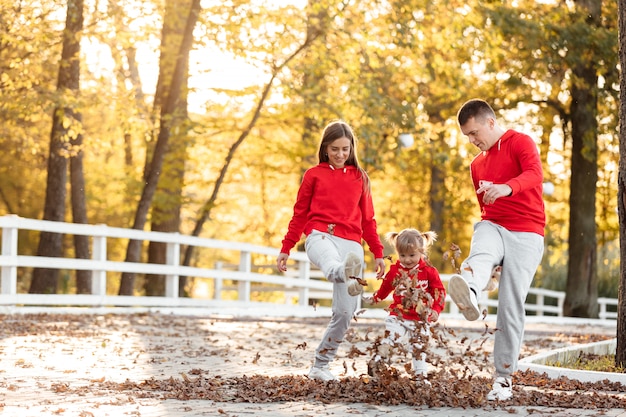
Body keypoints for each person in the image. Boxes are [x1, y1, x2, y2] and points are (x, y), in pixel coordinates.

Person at [447, 99, 546, 401]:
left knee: (510, 304)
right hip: (494, 225)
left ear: (490, 122)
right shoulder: (476, 165)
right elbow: (484, 209)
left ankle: (503, 378)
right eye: (467, 136)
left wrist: (507, 187)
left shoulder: (520, 142)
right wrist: (494, 260)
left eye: (475, 133)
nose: (473, 141)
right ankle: (473, 292)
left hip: (527, 232)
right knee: (481, 248)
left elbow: (534, 175)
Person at [276, 120, 386, 381]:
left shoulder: (361, 178)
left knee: (345, 314)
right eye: (334, 149)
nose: (340, 154)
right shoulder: (313, 174)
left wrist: (378, 253)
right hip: (320, 236)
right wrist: (286, 247)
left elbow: (368, 220)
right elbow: (299, 213)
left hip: (352, 245)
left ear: (351, 149)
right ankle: (339, 271)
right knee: (333, 264)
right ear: (325, 148)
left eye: (345, 149)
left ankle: (320, 366)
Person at [364, 228, 446, 380]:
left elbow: (439, 292)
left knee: (419, 348)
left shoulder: (428, 271)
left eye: (412, 255)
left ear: (421, 251)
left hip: (421, 319)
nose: (407, 260)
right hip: (398, 315)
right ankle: (377, 362)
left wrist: (436, 309)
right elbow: (386, 287)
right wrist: (376, 298)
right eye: (402, 255)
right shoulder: (395, 271)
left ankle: (421, 377)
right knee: (392, 340)